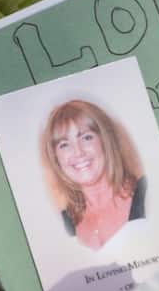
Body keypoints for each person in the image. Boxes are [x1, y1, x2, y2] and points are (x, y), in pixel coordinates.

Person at [41, 100, 146, 250]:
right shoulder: (64, 224)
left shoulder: (147, 193)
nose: (78, 152)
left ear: (105, 141)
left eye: (86, 137)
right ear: (56, 158)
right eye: (64, 144)